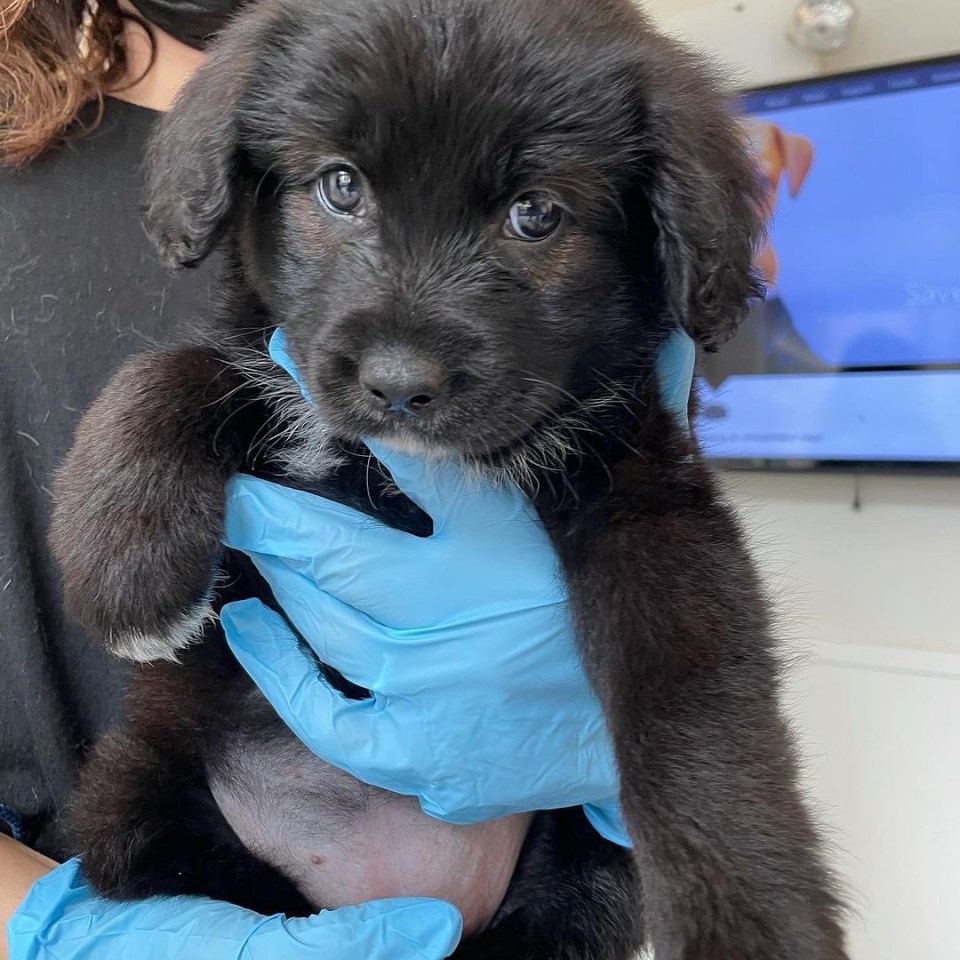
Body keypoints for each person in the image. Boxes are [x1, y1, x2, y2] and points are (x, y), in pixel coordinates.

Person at [0, 1, 696, 958]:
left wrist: (642, 750)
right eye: (336, 189)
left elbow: (663, 516)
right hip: (157, 860)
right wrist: (50, 931)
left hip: (525, 899)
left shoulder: (575, 104)